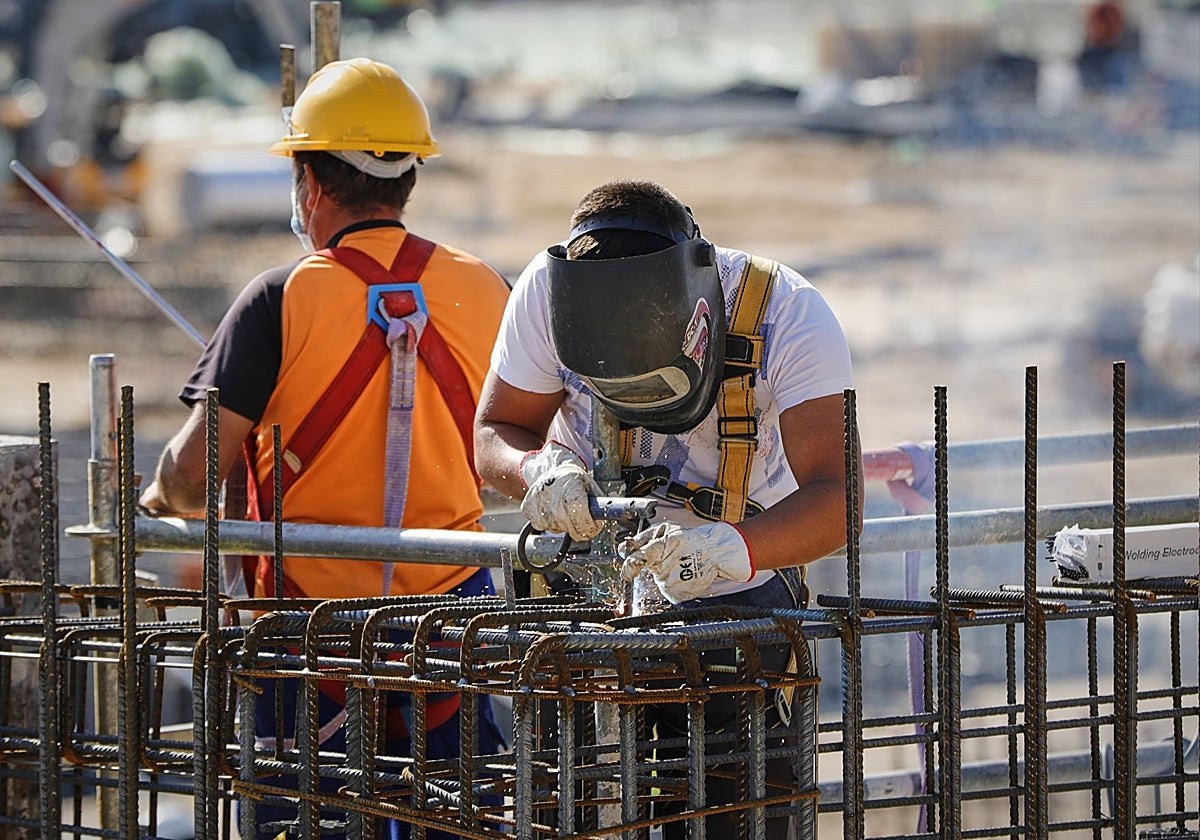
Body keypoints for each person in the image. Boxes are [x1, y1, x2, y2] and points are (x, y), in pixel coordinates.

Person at [139, 57, 510, 838]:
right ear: (410, 176)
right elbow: (522, 453)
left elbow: (192, 476)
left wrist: (159, 495)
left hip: (310, 643)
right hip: (454, 634)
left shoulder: (279, 298)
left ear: (308, 183)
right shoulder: (484, 289)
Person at [474, 178, 861, 837]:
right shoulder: (548, 290)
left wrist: (729, 550)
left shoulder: (786, 313)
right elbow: (496, 432)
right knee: (571, 819)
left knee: (732, 819)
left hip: (736, 606)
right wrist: (537, 469)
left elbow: (837, 501)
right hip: (586, 599)